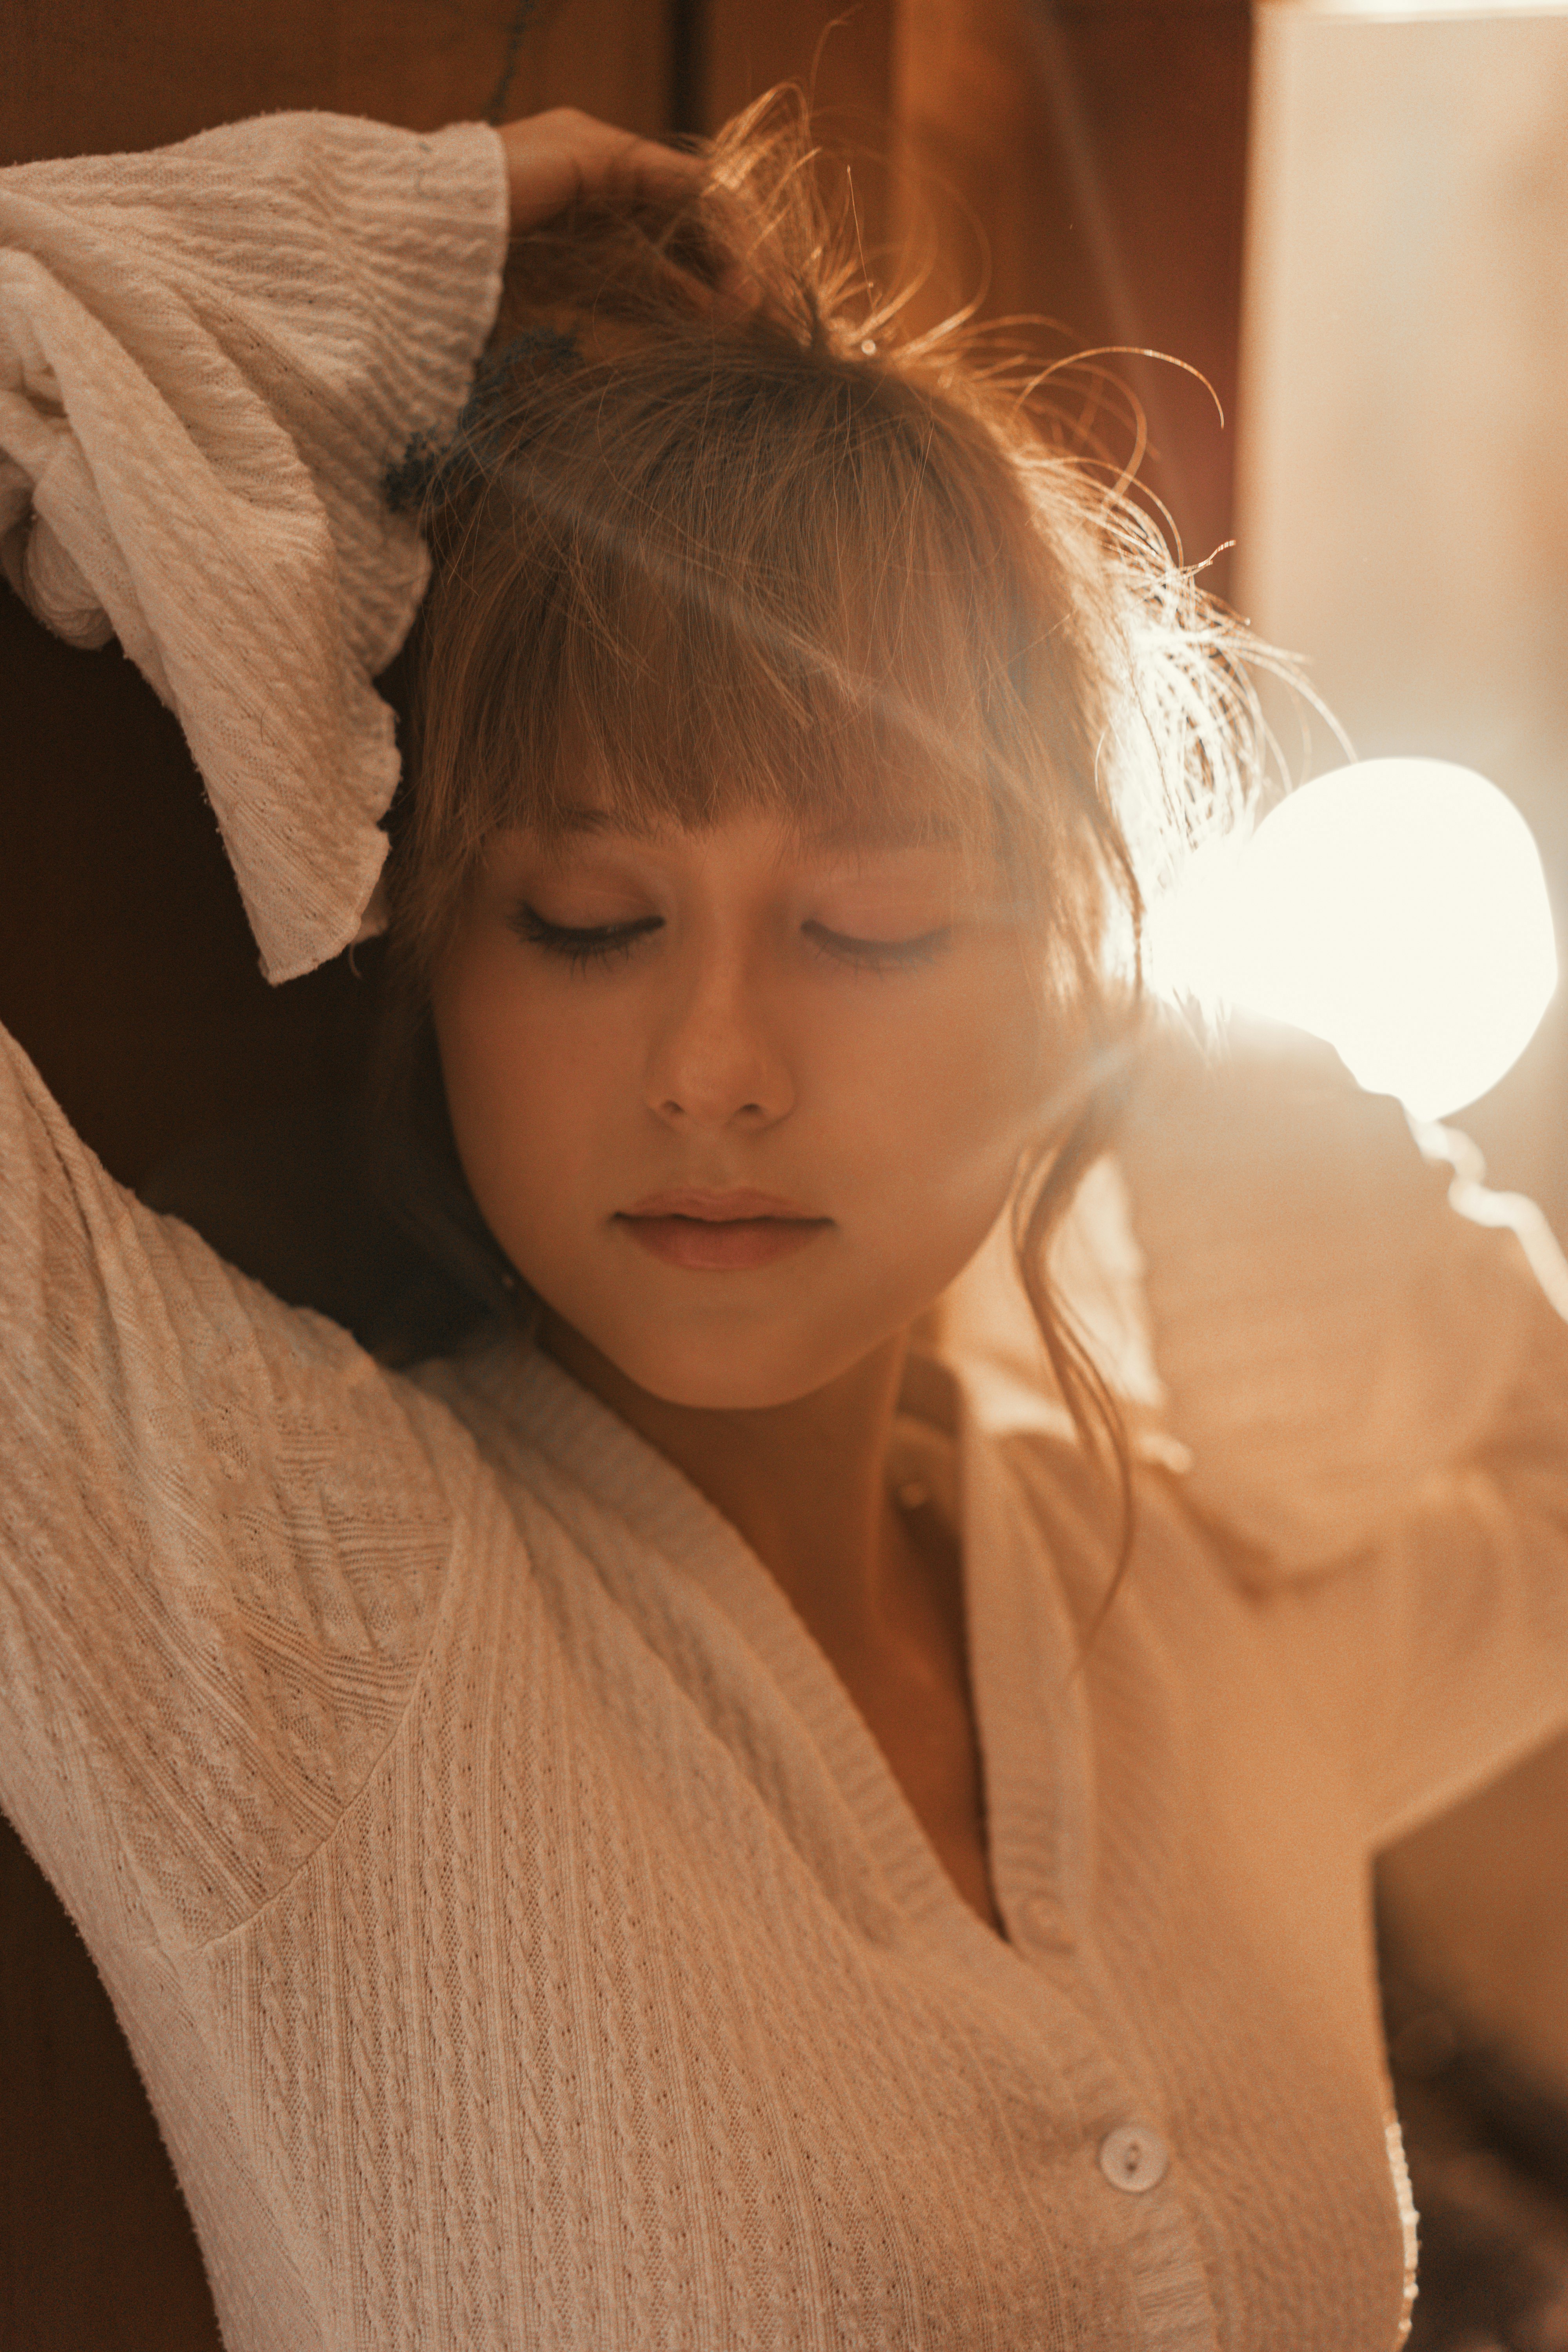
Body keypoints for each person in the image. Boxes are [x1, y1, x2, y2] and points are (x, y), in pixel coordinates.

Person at [0, 92, 1564, 2352]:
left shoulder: (1206, 1613)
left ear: (1072, 971)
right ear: (439, 952)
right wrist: (374, 258)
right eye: (586, 917)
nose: (715, 1061)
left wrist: (1212, 1107)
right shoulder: (260, 1597)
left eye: (871, 924)